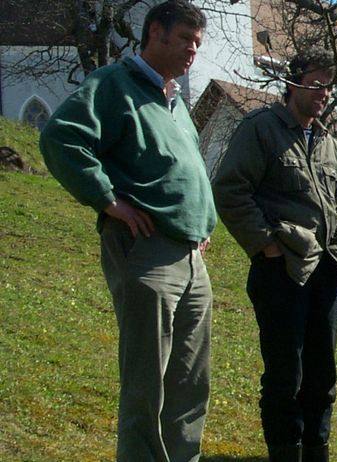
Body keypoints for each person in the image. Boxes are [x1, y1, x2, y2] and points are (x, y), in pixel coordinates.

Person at [38, 2, 214, 460]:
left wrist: (200, 222)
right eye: (185, 39)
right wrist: (106, 199)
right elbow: (61, 136)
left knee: (190, 384)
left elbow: (183, 170)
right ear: (155, 32)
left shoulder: (173, 101)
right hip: (147, 251)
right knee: (146, 384)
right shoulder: (114, 84)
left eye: (198, 42)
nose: (193, 50)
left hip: (192, 258)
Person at [211, 49, 337, 461]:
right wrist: (267, 245)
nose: (324, 92)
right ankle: (284, 452)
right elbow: (229, 190)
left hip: (324, 272)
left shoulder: (330, 143)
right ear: (292, 83)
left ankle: (316, 451)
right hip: (281, 272)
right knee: (284, 377)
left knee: (322, 375)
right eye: (316, 83)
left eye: (329, 84)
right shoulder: (261, 129)